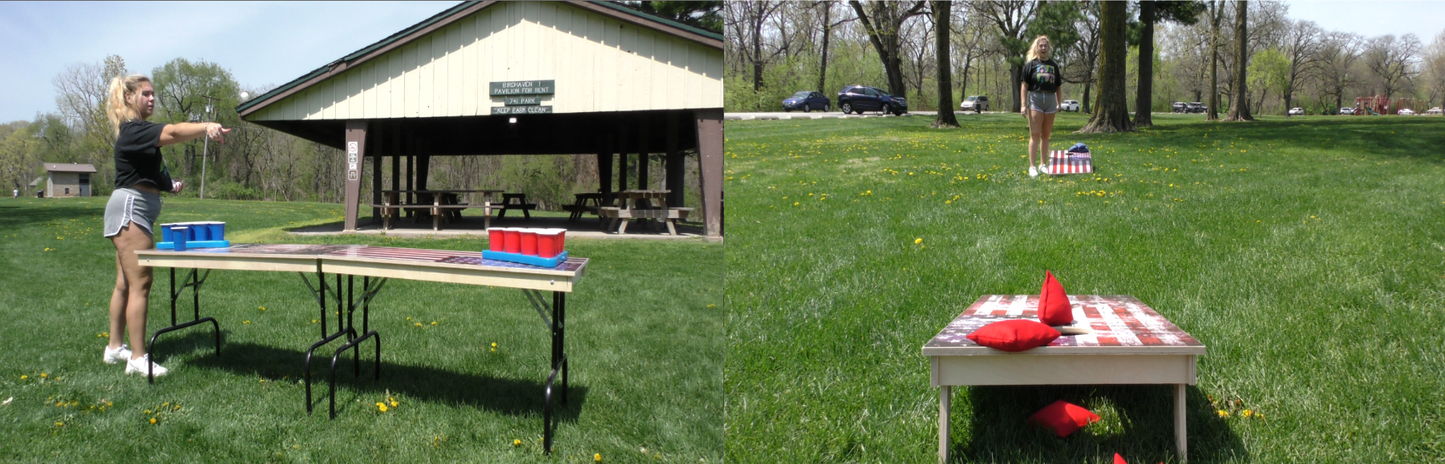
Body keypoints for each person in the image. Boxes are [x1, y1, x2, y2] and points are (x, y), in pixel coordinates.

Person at [101, 74, 229, 377]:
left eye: (153, 94)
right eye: (145, 94)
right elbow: (172, 132)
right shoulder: (133, 130)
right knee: (141, 283)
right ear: (129, 97)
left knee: (125, 283)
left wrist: (169, 185)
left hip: (131, 208)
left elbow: (147, 173)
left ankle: (114, 348)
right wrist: (205, 127)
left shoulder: (136, 134)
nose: (152, 99)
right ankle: (137, 357)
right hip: (131, 211)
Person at [1019, 35, 1063, 178]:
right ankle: (1032, 166)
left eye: (1045, 46)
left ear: (1048, 48)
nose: (1043, 48)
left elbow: (1058, 87)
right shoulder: (1030, 65)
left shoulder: (1054, 66)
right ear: (1037, 48)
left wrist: (1059, 102)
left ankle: (1043, 164)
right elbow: (1024, 86)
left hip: (1050, 99)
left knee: (1046, 135)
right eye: (1041, 46)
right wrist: (1023, 105)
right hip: (1035, 98)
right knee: (1035, 134)